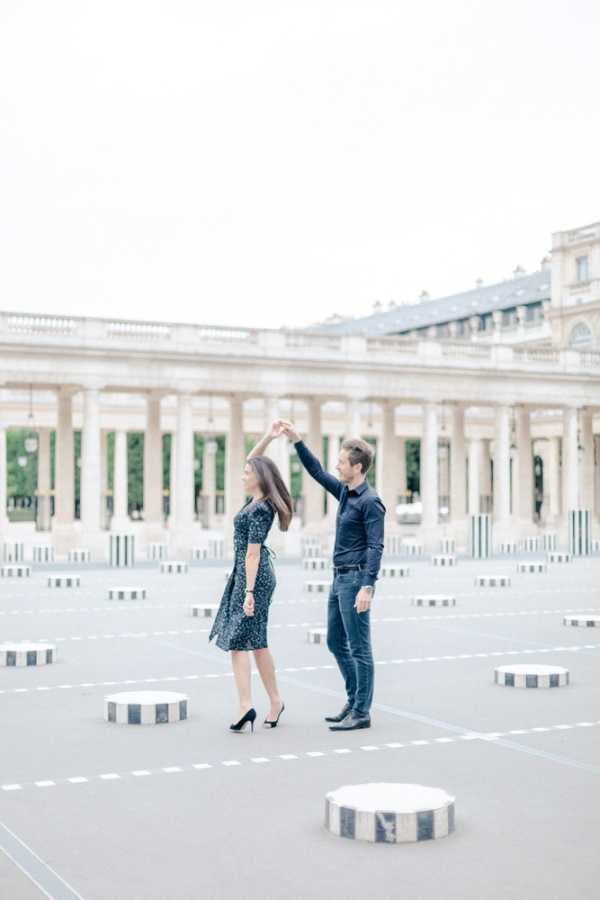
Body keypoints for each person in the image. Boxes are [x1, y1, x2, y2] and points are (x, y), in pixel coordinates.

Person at [279, 420, 385, 731]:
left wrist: (369, 586)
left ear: (358, 466)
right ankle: (353, 700)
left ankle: (362, 711)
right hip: (339, 579)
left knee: (360, 648)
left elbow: (376, 547)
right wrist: (297, 440)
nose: (336, 466)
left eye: (342, 462)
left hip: (355, 580)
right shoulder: (344, 492)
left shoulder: (370, 502)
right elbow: (316, 472)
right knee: (336, 641)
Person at [208, 421, 293, 733]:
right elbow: (253, 460)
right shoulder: (257, 501)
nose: (243, 475)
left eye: (247, 473)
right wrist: (268, 438)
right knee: (256, 642)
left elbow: (253, 553)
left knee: (239, 641)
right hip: (247, 576)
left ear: (258, 478)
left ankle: (246, 705)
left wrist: (248, 592)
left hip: (253, 578)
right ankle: (275, 701)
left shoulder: (259, 510)